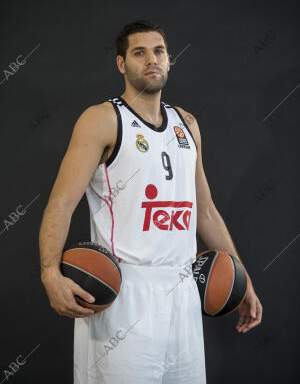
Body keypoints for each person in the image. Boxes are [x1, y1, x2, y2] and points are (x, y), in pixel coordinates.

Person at [39, 20, 263, 384]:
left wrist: (242, 276)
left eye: (158, 51)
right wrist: (50, 272)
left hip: (183, 290)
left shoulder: (186, 124)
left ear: (170, 59)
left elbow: (204, 211)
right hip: (124, 293)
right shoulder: (102, 120)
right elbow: (61, 203)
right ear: (121, 64)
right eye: (139, 53)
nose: (151, 60)